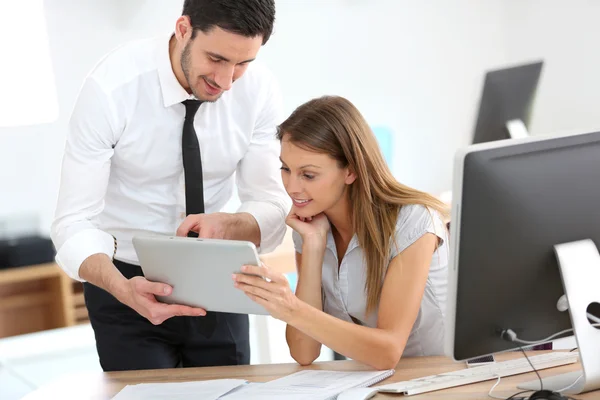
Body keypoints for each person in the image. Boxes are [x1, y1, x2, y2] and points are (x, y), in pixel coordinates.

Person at [50, 0, 290, 371]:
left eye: (242, 64)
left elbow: (272, 202)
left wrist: (231, 224)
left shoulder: (259, 91)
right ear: (183, 29)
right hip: (125, 282)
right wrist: (120, 288)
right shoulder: (112, 89)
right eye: (217, 59)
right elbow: (73, 222)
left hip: (218, 277)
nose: (226, 82)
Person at [233, 95, 450, 370]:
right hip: (375, 382)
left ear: (351, 171)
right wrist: (312, 247)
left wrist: (290, 307)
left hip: (442, 378)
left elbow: (388, 351)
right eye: (286, 169)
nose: (292, 187)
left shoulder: (413, 222)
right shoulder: (310, 226)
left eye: (308, 175)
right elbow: (304, 351)